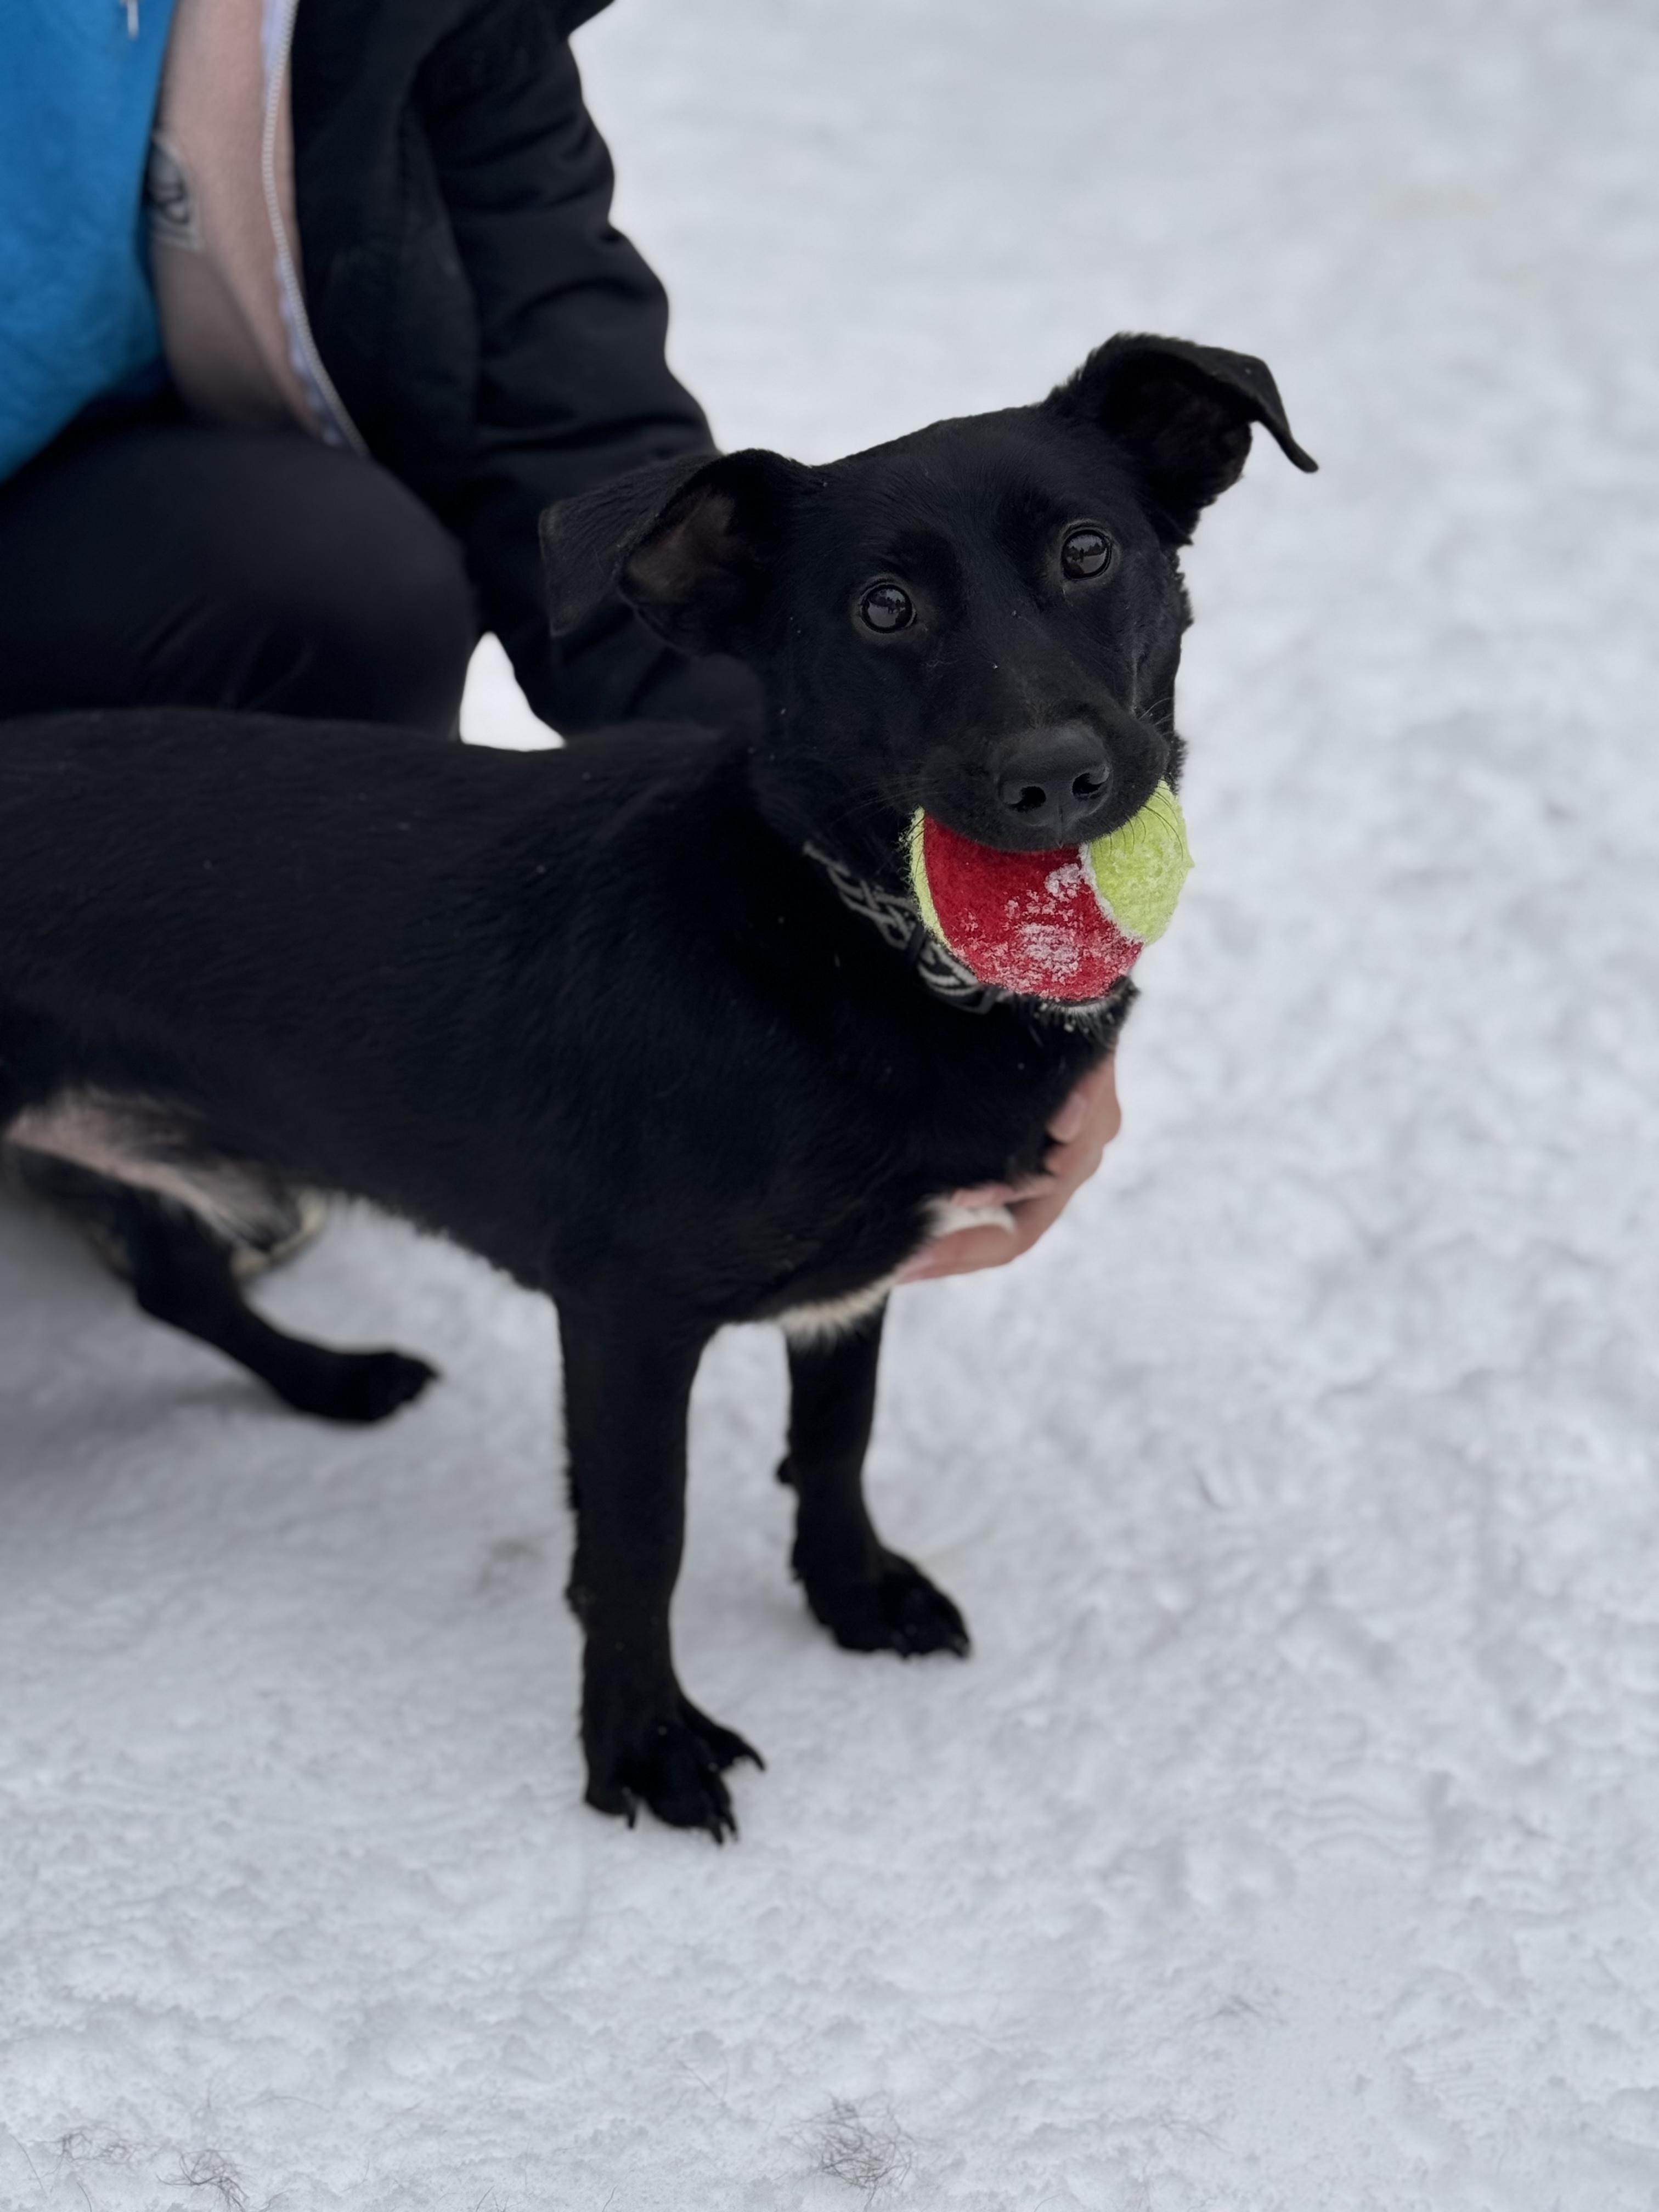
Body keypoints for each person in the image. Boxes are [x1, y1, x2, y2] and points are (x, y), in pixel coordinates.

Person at [0, 0, 1119, 1283]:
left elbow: (557, 418)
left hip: (83, 525)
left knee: (338, 582)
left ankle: (121, 1032)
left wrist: (849, 858)